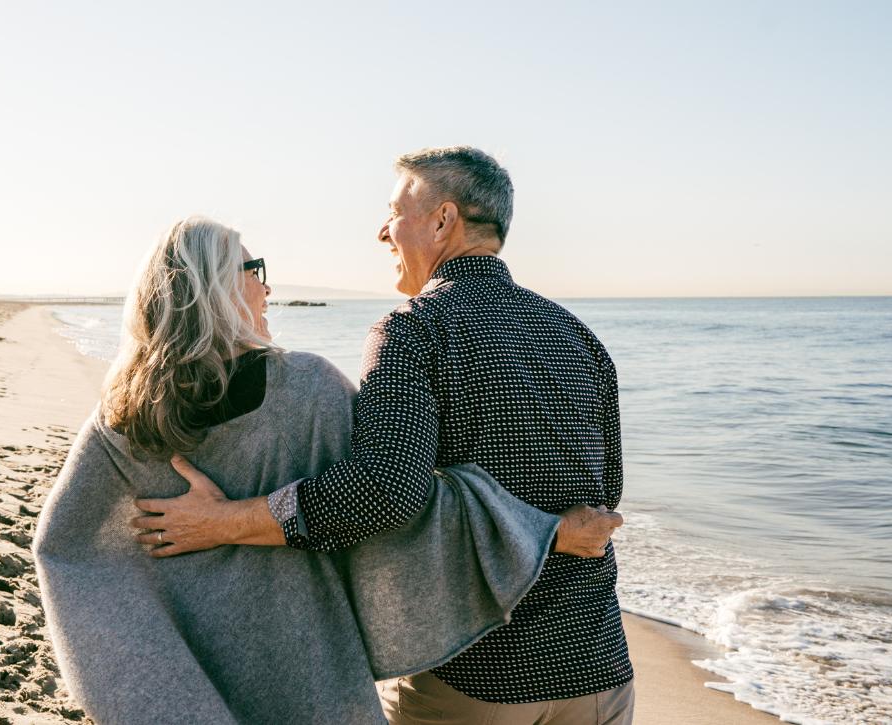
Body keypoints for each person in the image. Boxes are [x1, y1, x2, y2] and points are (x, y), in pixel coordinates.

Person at [32, 216, 620, 724]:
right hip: (306, 666)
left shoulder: (122, 413)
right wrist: (550, 531)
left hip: (184, 670)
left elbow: (66, 551)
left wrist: (141, 683)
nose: (265, 286)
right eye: (253, 268)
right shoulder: (307, 389)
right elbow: (396, 501)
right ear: (214, 287)